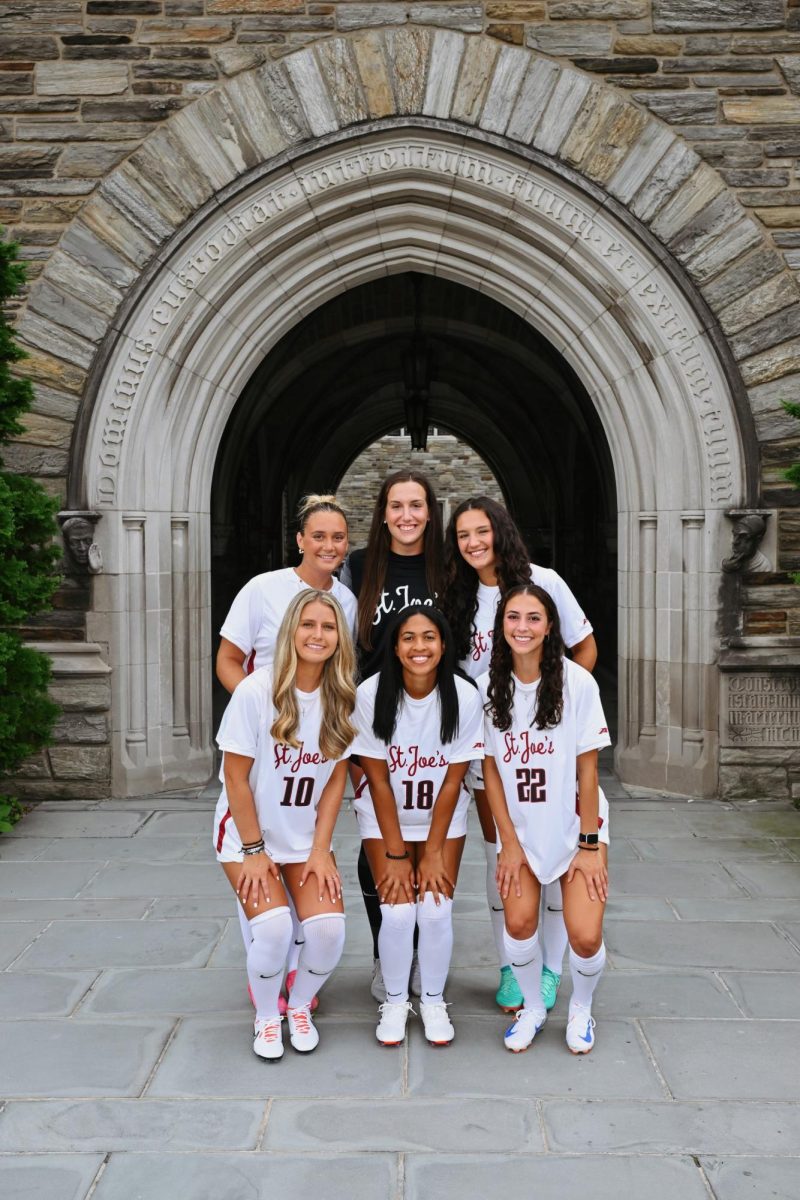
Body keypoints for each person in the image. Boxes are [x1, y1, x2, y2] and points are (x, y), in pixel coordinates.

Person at [440, 496, 603, 1015]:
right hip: (490, 745)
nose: (473, 543)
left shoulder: (543, 581)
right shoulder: (456, 594)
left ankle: (552, 967)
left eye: (481, 531)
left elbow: (585, 648)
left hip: (543, 750)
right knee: (506, 858)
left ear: (500, 530)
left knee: (555, 855)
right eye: (463, 535)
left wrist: (554, 717)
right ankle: (514, 964)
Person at [216, 494, 357, 1011]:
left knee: (313, 901)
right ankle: (267, 976)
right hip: (266, 739)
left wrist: (308, 718)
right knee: (268, 913)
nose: (327, 544)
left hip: (313, 744)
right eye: (317, 535)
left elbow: (338, 672)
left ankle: (296, 977)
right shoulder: (262, 589)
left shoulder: (346, 602)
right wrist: (269, 718)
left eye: (338, 537)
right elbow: (230, 658)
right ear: (299, 539)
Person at [480, 583, 611, 1054]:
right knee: (517, 926)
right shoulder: (486, 689)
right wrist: (508, 843)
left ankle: (581, 1007)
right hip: (521, 828)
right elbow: (491, 771)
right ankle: (533, 1006)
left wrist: (591, 844)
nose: (522, 627)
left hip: (577, 826)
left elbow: (589, 769)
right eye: (513, 617)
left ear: (549, 626)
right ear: (501, 625)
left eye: (533, 618)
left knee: (584, 933)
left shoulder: (578, 682)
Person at [352, 606, 484, 1047]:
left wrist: (431, 851)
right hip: (384, 815)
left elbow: (452, 779)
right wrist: (393, 853)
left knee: (435, 910)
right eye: (408, 638)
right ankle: (393, 1000)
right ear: (394, 645)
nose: (419, 647)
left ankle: (431, 999)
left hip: (441, 820)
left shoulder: (464, 696)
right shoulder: (371, 694)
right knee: (397, 910)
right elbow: (377, 779)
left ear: (443, 645)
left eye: (429, 637)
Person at [340, 470, 444, 1002]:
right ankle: (386, 954)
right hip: (375, 718)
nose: (407, 515)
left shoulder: (447, 567)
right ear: (383, 513)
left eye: (417, 505)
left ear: (430, 512)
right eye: (397, 505)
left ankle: (425, 957)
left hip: (434, 716)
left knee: (430, 840)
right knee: (377, 839)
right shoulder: (359, 567)